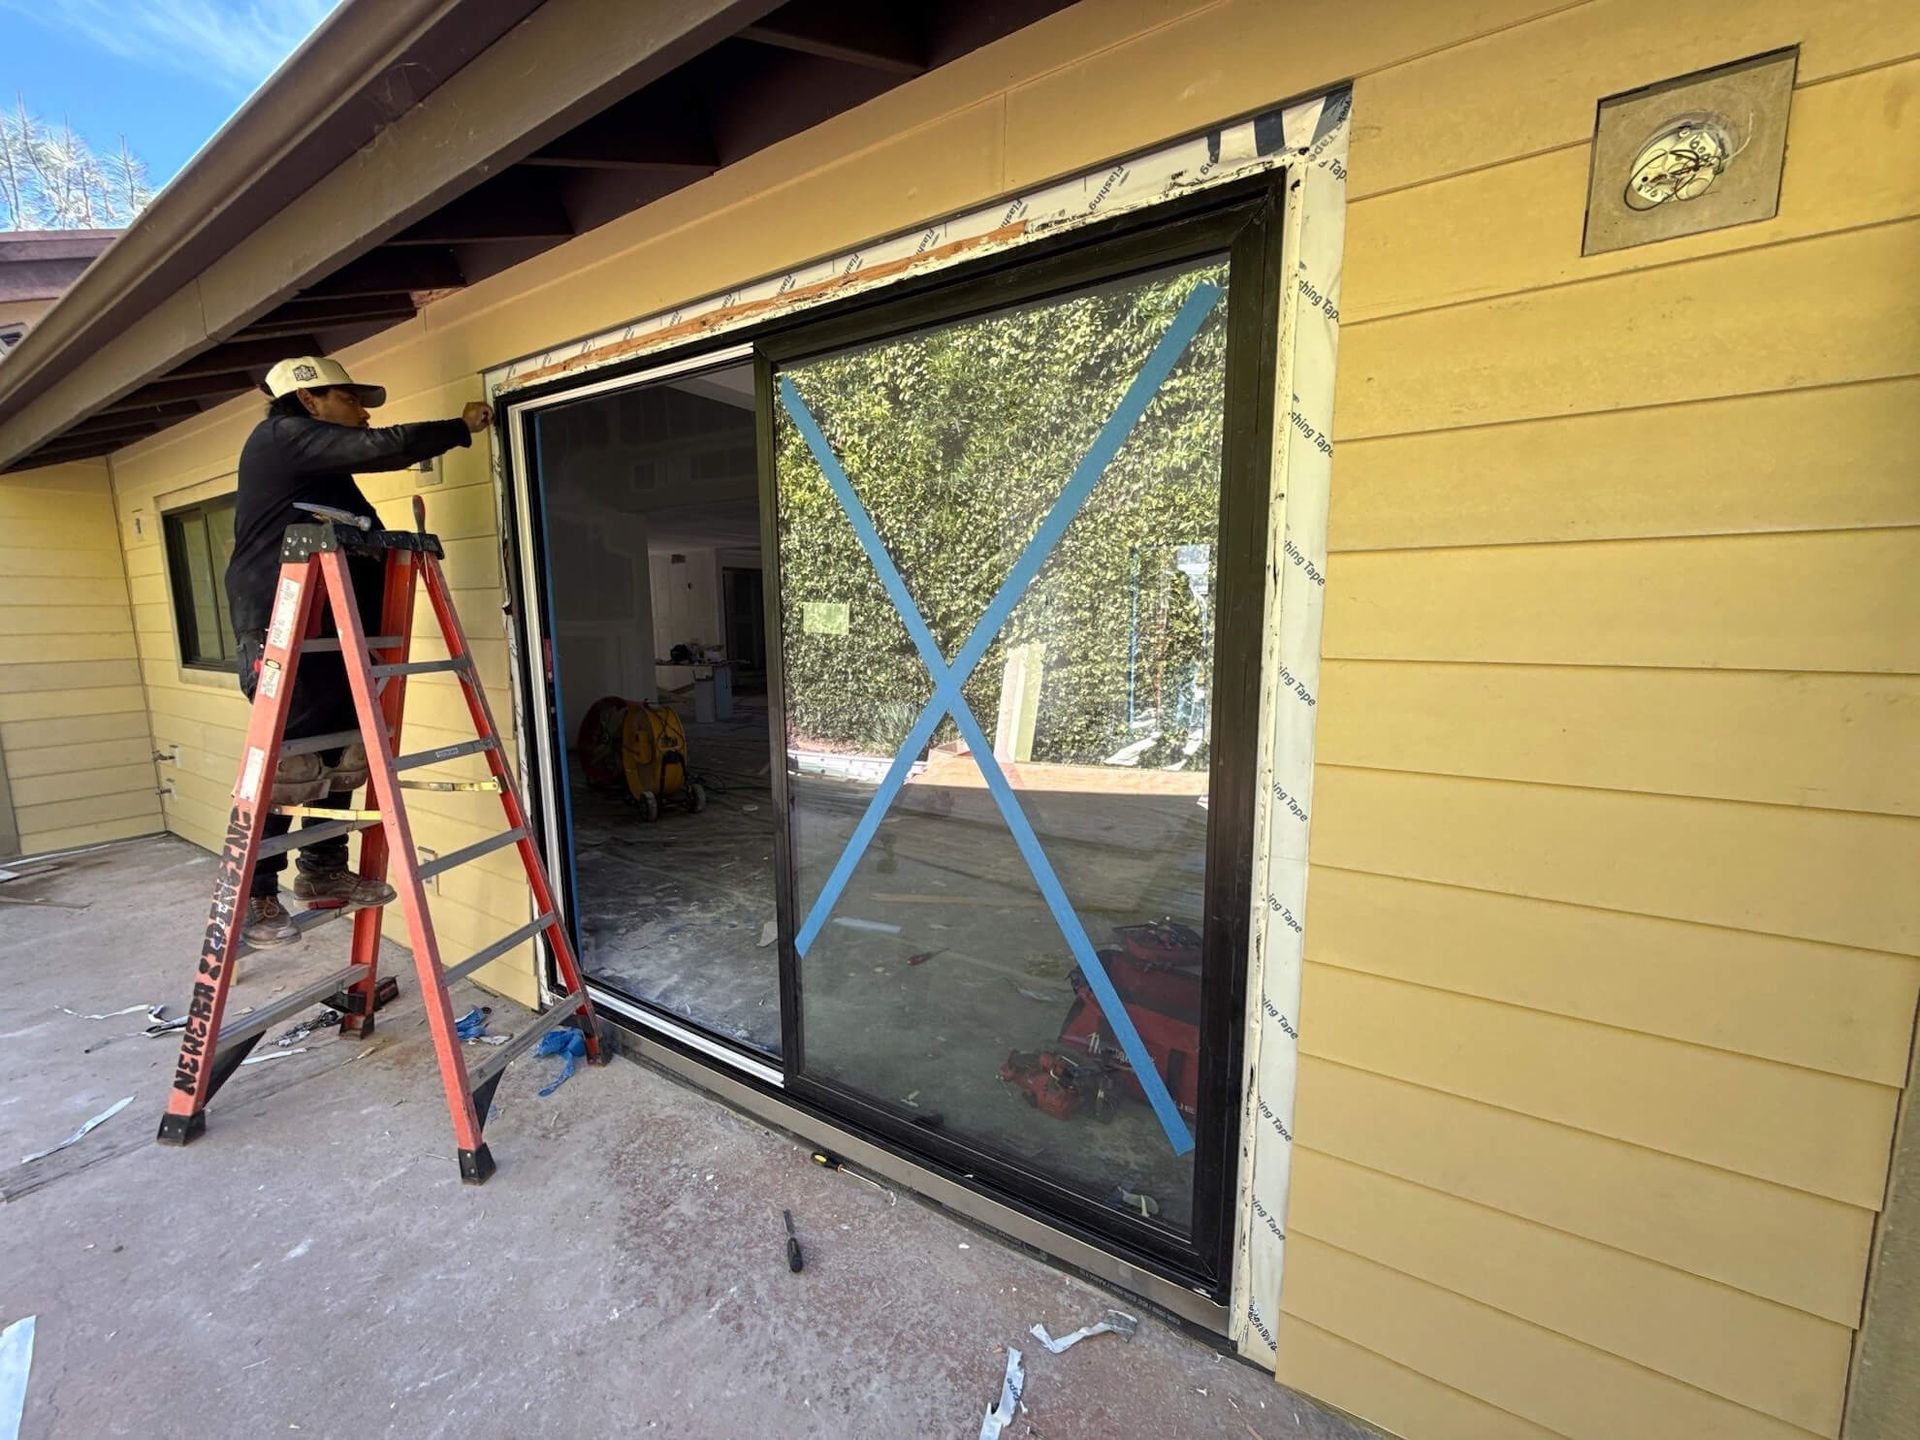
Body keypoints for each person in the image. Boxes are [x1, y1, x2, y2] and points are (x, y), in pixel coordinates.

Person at [226, 354, 490, 948]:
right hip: (284, 627)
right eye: (351, 399)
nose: (364, 412)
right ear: (311, 400)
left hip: (336, 633)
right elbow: (382, 445)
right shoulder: (279, 437)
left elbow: (361, 526)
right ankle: (256, 897)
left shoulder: (321, 477)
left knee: (343, 751)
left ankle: (322, 869)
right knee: (289, 757)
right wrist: (459, 427)